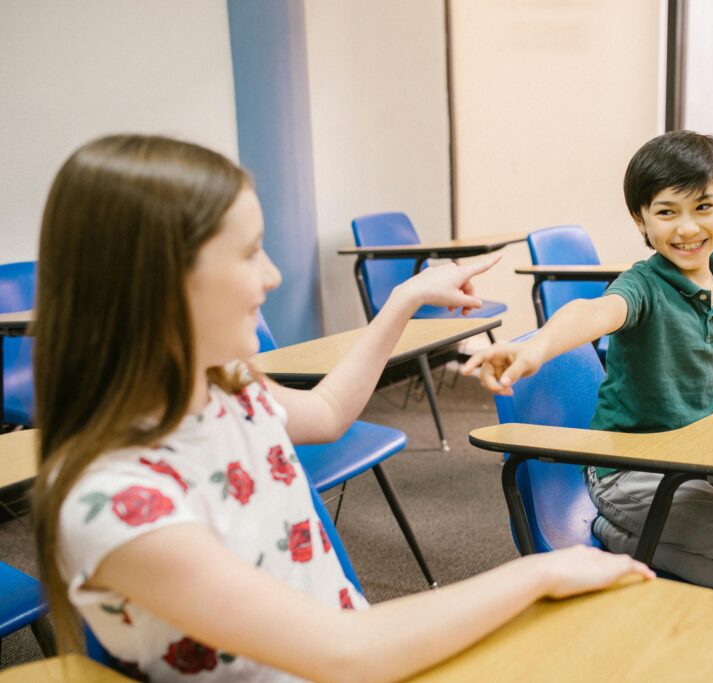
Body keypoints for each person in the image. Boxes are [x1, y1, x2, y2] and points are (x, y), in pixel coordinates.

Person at [31, 134, 653, 682]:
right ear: (159, 282)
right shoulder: (116, 503)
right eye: (249, 253)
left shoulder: (225, 389)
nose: (273, 276)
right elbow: (346, 654)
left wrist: (404, 299)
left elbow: (328, 411)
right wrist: (540, 574)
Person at [463, 130, 713, 590]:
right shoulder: (643, 286)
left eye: (703, 207)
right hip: (630, 472)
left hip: (698, 462)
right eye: (666, 212)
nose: (687, 228)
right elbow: (594, 312)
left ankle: (690, 517)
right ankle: (619, 535)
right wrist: (535, 346)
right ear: (641, 221)